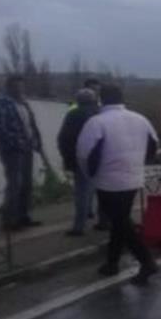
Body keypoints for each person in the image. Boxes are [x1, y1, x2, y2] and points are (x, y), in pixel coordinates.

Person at [76, 84, 160, 285]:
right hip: (133, 177)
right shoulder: (140, 119)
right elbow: (154, 144)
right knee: (120, 220)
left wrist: (91, 175)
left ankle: (147, 262)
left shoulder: (97, 122)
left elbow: (84, 154)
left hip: (108, 181)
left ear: (101, 99)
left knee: (121, 222)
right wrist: (139, 164)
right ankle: (112, 263)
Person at [0, 75, 43, 230]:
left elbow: (31, 125)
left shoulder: (24, 103)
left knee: (27, 184)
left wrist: (36, 142)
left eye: (22, 86)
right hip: (11, 150)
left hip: (27, 148)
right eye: (17, 87)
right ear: (9, 87)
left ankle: (23, 217)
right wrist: (17, 142)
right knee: (15, 183)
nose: (20, 89)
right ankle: (10, 221)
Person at [57, 88, 100, 236]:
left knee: (82, 192)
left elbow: (64, 138)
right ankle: (104, 221)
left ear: (78, 101)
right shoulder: (100, 114)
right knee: (101, 190)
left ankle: (79, 226)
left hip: (80, 158)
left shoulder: (73, 114)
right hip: (100, 158)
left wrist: (67, 158)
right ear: (94, 100)